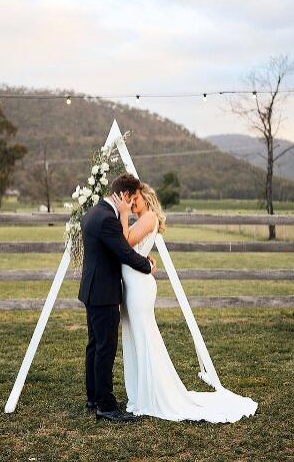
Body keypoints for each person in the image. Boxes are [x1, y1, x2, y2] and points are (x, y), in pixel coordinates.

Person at [116, 182, 258, 422]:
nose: (132, 202)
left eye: (136, 197)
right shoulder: (141, 219)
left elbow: (125, 241)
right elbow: (133, 249)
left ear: (146, 197)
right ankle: (140, 394)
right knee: (134, 339)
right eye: (130, 199)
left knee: (143, 338)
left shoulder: (148, 217)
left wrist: (123, 213)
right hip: (131, 285)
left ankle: (151, 395)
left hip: (139, 288)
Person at [78, 173, 157, 422]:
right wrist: (148, 266)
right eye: (132, 198)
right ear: (124, 195)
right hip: (104, 293)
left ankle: (93, 396)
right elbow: (125, 252)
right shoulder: (108, 220)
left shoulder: (94, 212)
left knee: (94, 345)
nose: (133, 204)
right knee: (105, 348)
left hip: (91, 290)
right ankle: (106, 405)